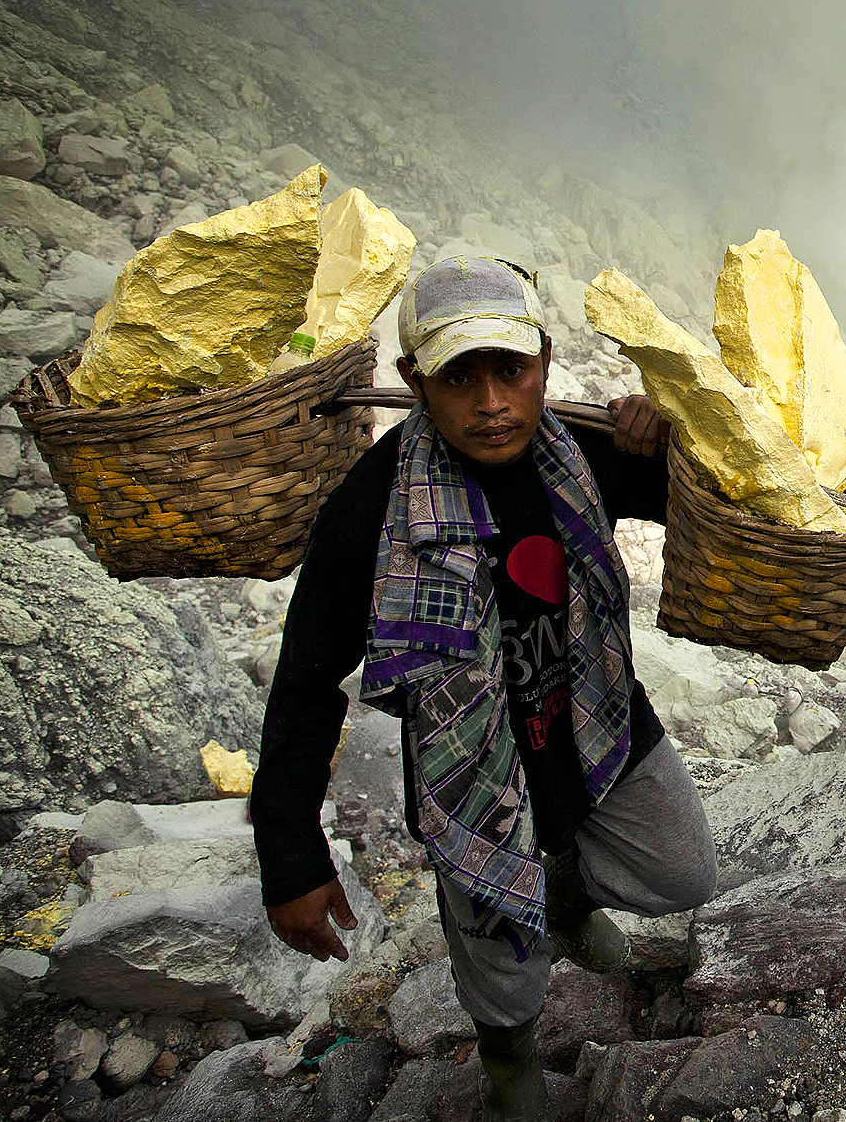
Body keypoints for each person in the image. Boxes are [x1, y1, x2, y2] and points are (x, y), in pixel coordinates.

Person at [250, 256, 718, 1122]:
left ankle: (568, 891)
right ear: (412, 380)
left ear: (544, 361)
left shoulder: (582, 451)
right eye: (459, 376)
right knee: (498, 959)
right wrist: (292, 861)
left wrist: (670, 432)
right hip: (470, 762)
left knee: (685, 870)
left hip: (593, 714)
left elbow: (720, 496)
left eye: (512, 369)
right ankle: (508, 1060)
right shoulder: (375, 505)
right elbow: (307, 679)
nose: (492, 401)